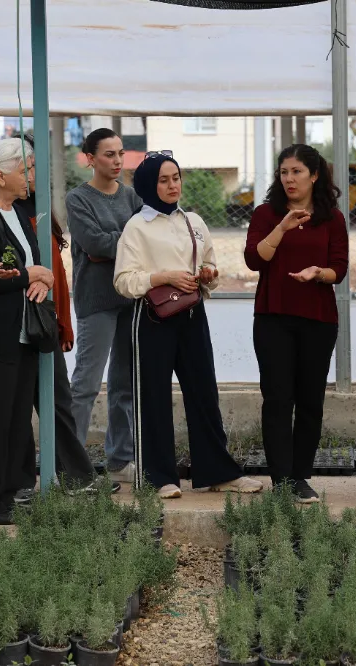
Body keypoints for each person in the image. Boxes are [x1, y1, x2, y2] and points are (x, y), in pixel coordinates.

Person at [114, 153, 263, 499]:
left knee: (204, 393)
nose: (172, 185)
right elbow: (123, 280)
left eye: (176, 178)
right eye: (163, 180)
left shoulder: (193, 220)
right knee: (153, 397)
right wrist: (163, 277)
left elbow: (209, 263)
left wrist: (208, 274)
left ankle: (218, 473)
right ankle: (157, 478)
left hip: (192, 315)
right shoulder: (137, 226)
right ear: (148, 185)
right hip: (152, 318)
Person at [8, 136, 120, 494]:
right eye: (28, 167)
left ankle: (79, 475)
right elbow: (95, 246)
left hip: (48, 318)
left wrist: (62, 324)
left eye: (37, 166)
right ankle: (30, 483)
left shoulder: (39, 207)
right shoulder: (1, 211)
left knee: (64, 400)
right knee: (30, 404)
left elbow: (57, 269)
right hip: (24, 320)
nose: (34, 174)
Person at [243, 144, 348, 503]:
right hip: (273, 318)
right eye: (284, 172)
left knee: (310, 401)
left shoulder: (332, 218)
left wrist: (318, 273)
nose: (289, 179)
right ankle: (281, 480)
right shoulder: (266, 214)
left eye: (297, 172)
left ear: (314, 175)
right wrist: (282, 228)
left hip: (318, 320)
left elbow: (339, 268)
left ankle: (300, 477)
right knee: (277, 399)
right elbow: (255, 260)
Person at [0, 138, 55, 524]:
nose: (31, 176)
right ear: (0, 176)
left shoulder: (18, 212)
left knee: (18, 417)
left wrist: (41, 281)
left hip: (24, 333)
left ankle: (16, 491)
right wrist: (28, 276)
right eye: (25, 169)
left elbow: (31, 263)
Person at [66, 129, 142, 483]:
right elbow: (94, 244)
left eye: (120, 153)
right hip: (97, 300)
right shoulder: (78, 199)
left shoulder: (131, 196)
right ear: (90, 158)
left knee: (125, 385)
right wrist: (126, 242)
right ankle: (72, 468)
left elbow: (143, 241)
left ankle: (120, 461)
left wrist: (115, 246)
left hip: (132, 298)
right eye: (109, 154)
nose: (117, 161)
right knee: (86, 384)